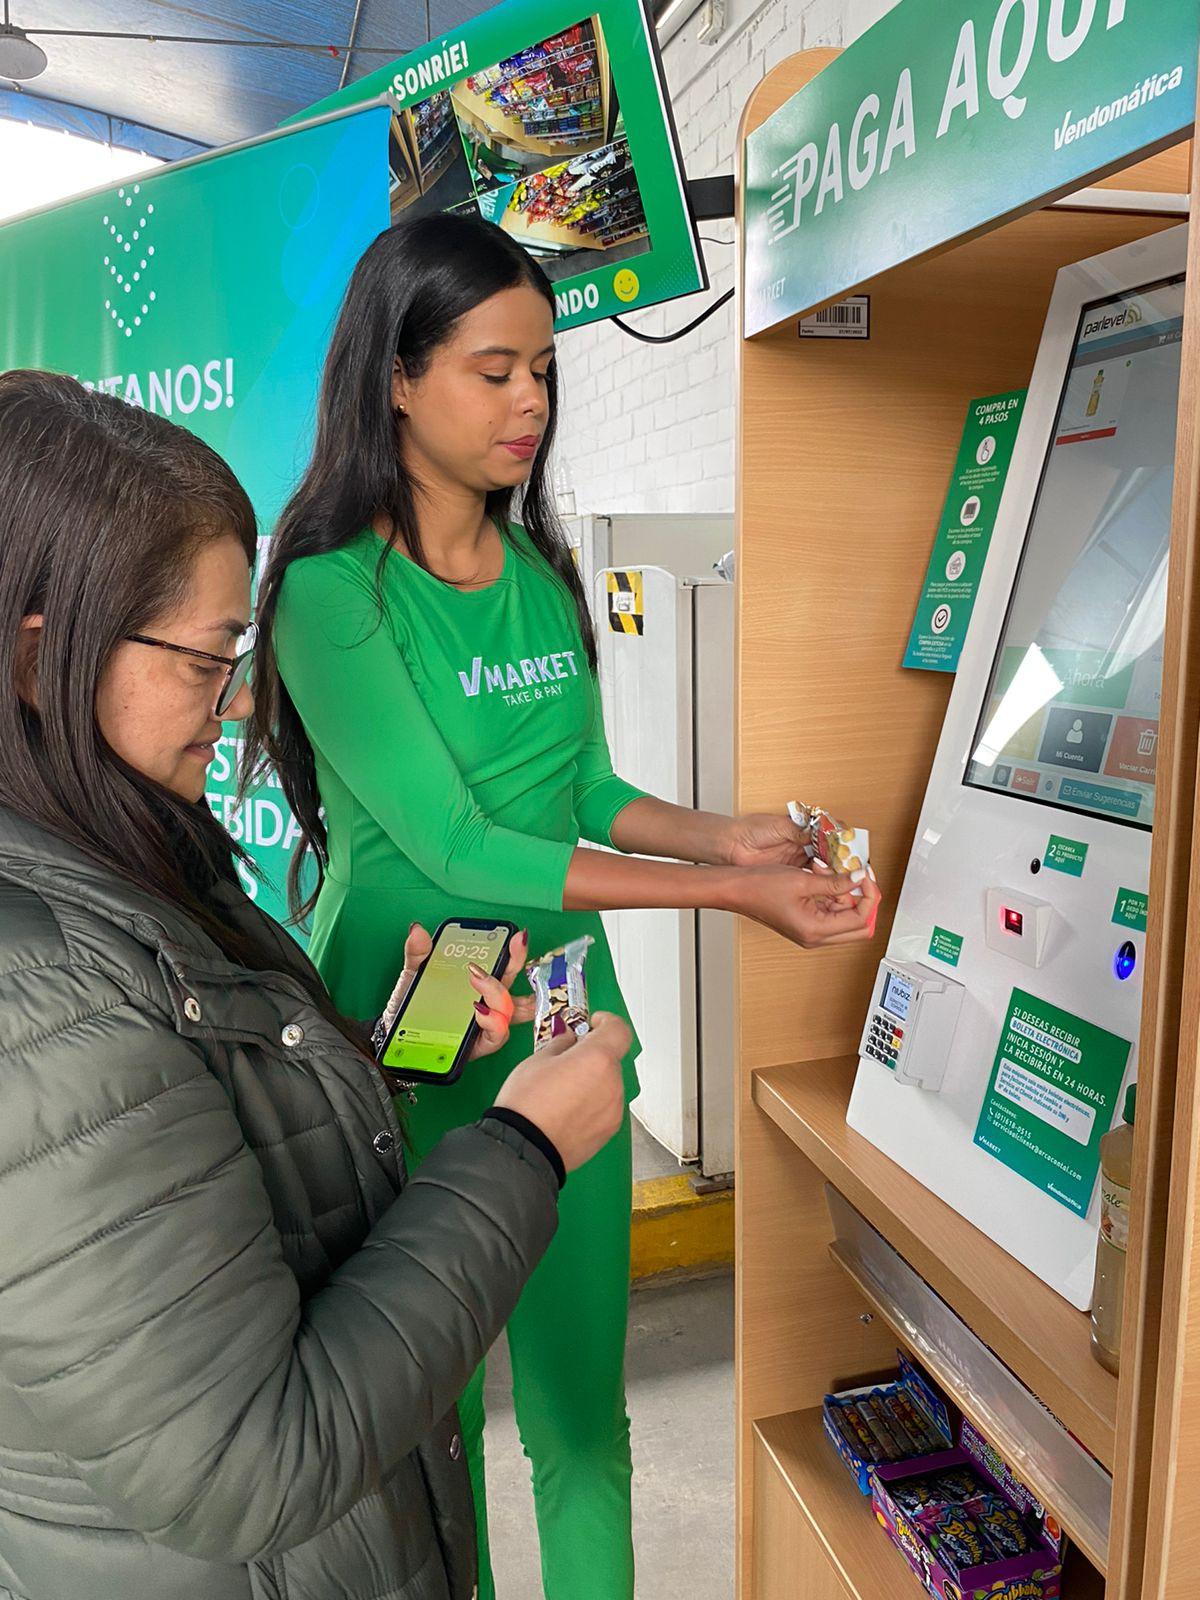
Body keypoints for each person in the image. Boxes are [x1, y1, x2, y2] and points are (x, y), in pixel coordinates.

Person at [250, 212, 880, 1600]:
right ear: (396, 378)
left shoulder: (540, 576)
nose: (529, 401)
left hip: (564, 1020)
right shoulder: (328, 595)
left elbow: (584, 790)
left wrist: (732, 832)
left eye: (542, 369)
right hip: (406, 1030)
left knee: (585, 1421)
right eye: (494, 371)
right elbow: (455, 842)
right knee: (432, 1433)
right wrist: (729, 893)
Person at [0, 368, 629, 1600]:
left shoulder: (127, 852)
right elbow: (254, 1458)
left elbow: (201, 1133)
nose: (233, 704)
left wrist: (378, 1050)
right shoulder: (48, 995)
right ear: (40, 660)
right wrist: (523, 1148)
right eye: (206, 660)